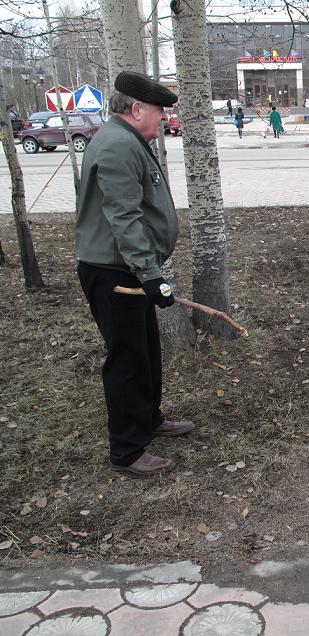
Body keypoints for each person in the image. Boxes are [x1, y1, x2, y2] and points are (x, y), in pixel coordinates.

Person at [75, 71, 194, 477]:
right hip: (114, 274)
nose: (165, 117)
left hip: (129, 269)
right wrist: (149, 273)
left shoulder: (128, 140)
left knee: (145, 350)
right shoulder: (117, 146)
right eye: (160, 110)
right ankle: (126, 450)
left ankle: (148, 418)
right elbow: (123, 216)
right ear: (138, 108)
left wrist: (147, 271)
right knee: (127, 358)